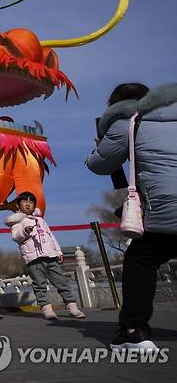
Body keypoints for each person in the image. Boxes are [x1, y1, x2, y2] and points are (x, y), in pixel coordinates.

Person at [86, 82, 177, 351]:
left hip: (167, 206)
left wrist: (101, 145)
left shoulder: (128, 122)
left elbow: (100, 165)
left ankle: (133, 330)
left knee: (141, 258)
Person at [5, 192, 86, 320]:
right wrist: (24, 231)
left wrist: (58, 251)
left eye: (31, 202)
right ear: (18, 206)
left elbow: (50, 236)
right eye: (24, 202)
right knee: (40, 284)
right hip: (34, 259)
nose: (28, 204)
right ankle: (46, 308)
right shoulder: (17, 222)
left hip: (50, 255)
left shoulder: (41, 220)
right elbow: (16, 237)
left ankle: (72, 306)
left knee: (61, 282)